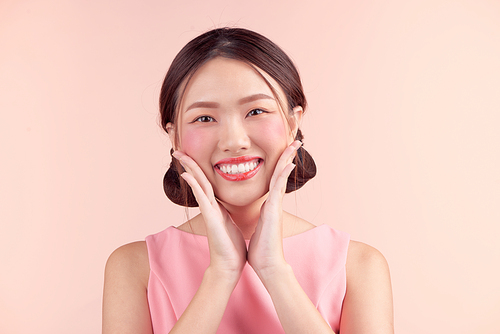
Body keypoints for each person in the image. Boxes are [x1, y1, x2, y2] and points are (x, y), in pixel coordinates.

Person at [102, 27, 394, 334]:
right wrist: (220, 275)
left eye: (256, 111)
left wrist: (275, 272)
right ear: (174, 135)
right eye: (204, 118)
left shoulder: (358, 266)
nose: (234, 140)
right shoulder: (135, 267)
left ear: (293, 123)